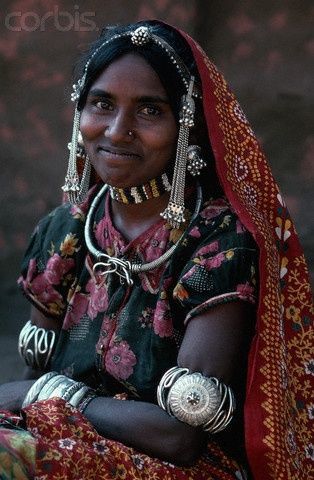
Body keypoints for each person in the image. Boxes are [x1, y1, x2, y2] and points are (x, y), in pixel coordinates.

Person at [0, 19, 313, 480]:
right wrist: (33, 403)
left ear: (187, 123)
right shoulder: (66, 228)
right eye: (101, 104)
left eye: (149, 111)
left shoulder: (219, 246)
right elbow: (29, 387)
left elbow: (181, 435)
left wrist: (49, 396)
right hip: (63, 438)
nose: (117, 130)